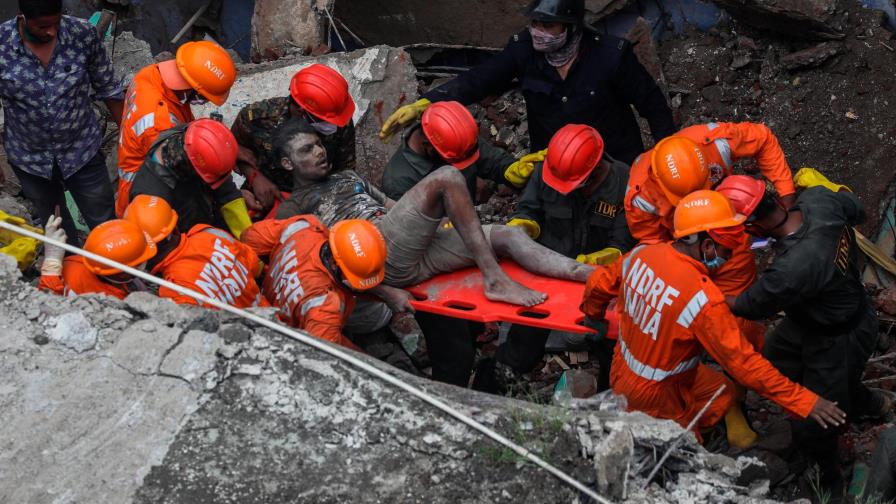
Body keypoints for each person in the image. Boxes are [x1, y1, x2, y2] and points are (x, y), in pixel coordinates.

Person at [581, 190, 847, 449]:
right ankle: (691, 446)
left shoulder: (643, 254)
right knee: (681, 450)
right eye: (727, 251)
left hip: (625, 366)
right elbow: (745, 364)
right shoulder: (702, 301)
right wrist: (804, 401)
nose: (728, 258)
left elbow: (598, 282)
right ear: (707, 245)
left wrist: (594, 316)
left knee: (721, 392)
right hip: (657, 396)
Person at [273, 119, 593, 307]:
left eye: (318, 144)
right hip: (375, 254)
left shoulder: (348, 177)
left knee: (509, 234)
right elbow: (319, 262)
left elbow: (391, 207)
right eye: (306, 150)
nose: (319, 152)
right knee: (448, 176)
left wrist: (435, 225)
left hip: (408, 245)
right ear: (287, 165)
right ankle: (495, 280)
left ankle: (589, 275)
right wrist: (383, 293)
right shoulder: (291, 208)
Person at [717, 171, 888, 500]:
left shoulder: (792, 268)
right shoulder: (818, 200)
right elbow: (855, 207)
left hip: (838, 338)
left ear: (751, 226)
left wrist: (702, 290)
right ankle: (859, 399)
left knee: (816, 422)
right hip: (825, 316)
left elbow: (748, 305)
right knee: (775, 361)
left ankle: (828, 477)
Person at [379, 0, 675, 164]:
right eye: (534, 23)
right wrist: (426, 104)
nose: (538, 32)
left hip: (613, 165)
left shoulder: (612, 57)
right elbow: (480, 79)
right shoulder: (523, 50)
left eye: (548, 25)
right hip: (553, 166)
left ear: (572, 28)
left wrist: (661, 160)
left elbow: (655, 108)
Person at [480, 124, 635, 393]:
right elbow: (529, 209)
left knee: (609, 350)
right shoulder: (549, 168)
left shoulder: (624, 181)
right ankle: (491, 391)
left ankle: (606, 403)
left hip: (597, 285)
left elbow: (622, 244)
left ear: (594, 169)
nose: (564, 191)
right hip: (545, 278)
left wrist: (600, 261)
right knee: (521, 349)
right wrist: (522, 230)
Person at [1, 0, 124, 244]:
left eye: (56, 23)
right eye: (43, 26)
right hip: (30, 160)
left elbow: (109, 88)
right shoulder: (2, 45)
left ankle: (113, 272)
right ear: (22, 17)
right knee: (56, 225)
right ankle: (69, 270)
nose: (52, 32)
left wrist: (129, 137)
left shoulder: (82, 34)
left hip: (82, 152)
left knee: (105, 220)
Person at [116, 40, 236, 217]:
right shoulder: (160, 123)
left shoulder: (152, 75)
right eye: (202, 99)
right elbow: (185, 168)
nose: (200, 103)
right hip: (145, 203)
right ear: (190, 89)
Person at [241, 215, 386, 351]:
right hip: (281, 340)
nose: (359, 288)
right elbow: (328, 357)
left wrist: (266, 267)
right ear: (335, 264)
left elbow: (250, 237)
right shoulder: (325, 308)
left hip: (264, 298)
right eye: (354, 279)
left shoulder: (306, 226)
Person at [231, 63, 357, 212]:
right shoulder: (257, 118)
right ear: (301, 111)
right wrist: (254, 177)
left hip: (321, 197)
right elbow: (232, 149)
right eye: (323, 120)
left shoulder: (337, 120)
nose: (331, 125)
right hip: (267, 195)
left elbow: (345, 171)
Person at [381, 100, 544, 201]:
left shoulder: (455, 139)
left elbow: (489, 160)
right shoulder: (399, 182)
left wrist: (510, 169)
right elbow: (409, 234)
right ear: (427, 145)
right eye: (454, 160)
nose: (462, 163)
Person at [123, 194, 265, 308]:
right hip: (268, 313)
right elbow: (254, 265)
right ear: (175, 227)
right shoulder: (209, 232)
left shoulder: (175, 290)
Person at [128, 118, 252, 239]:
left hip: (206, 218)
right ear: (193, 165)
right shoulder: (151, 199)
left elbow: (226, 191)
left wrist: (249, 238)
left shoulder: (192, 138)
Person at [38, 217, 156, 299]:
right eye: (139, 262)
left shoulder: (75, 263)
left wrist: (52, 261)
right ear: (123, 274)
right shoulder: (113, 301)